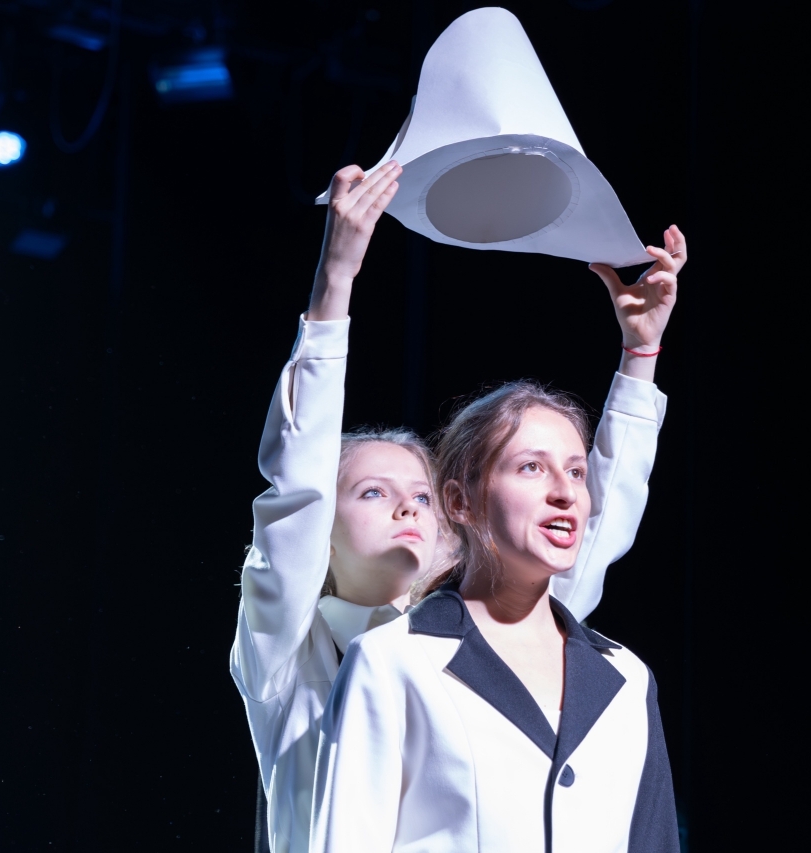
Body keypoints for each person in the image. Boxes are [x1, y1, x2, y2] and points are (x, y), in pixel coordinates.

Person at [231, 160, 685, 853]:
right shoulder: (291, 653)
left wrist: (640, 355)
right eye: (373, 491)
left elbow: (593, 519)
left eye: (421, 494)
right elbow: (295, 489)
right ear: (323, 530)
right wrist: (335, 282)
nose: (407, 508)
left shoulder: (491, 635)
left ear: (454, 514)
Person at [310, 280, 681, 852]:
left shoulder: (628, 678)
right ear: (460, 501)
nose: (565, 492)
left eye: (577, 472)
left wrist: (641, 354)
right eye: (531, 467)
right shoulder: (390, 662)